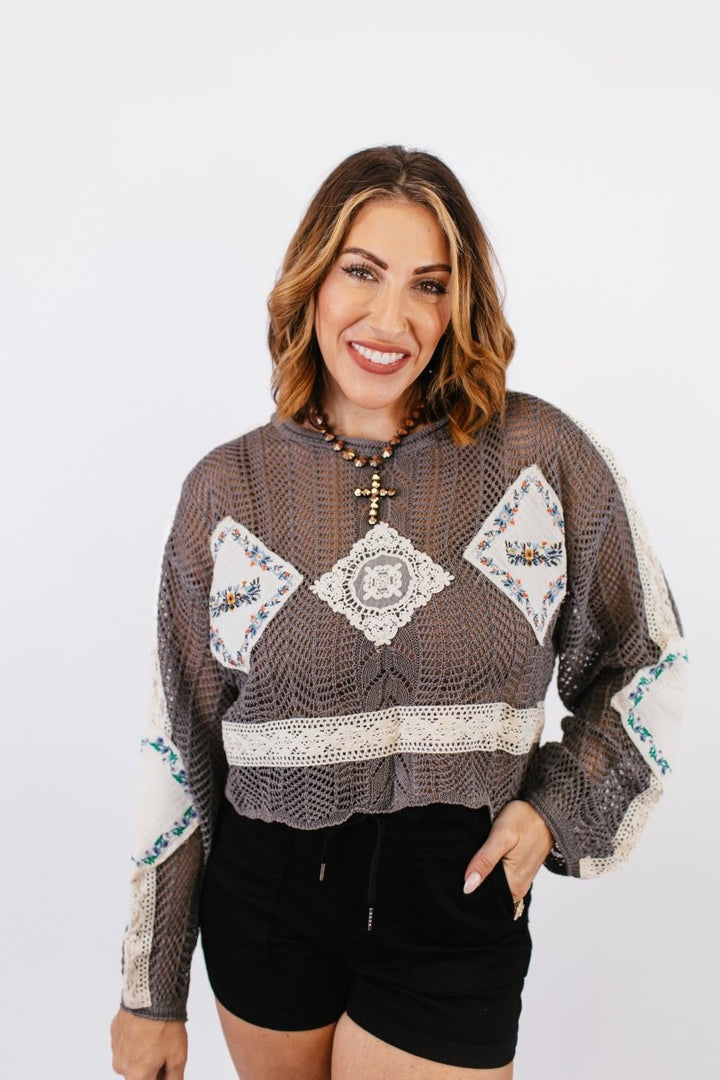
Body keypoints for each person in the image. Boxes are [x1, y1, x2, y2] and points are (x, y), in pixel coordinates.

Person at [110, 145, 687, 1080]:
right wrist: (150, 992)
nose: (391, 319)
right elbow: (182, 741)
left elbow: (645, 656)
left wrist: (552, 811)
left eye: (429, 285)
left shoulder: (541, 459)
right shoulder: (228, 489)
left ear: (462, 305)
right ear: (312, 280)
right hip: (264, 901)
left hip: (456, 893)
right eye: (362, 272)